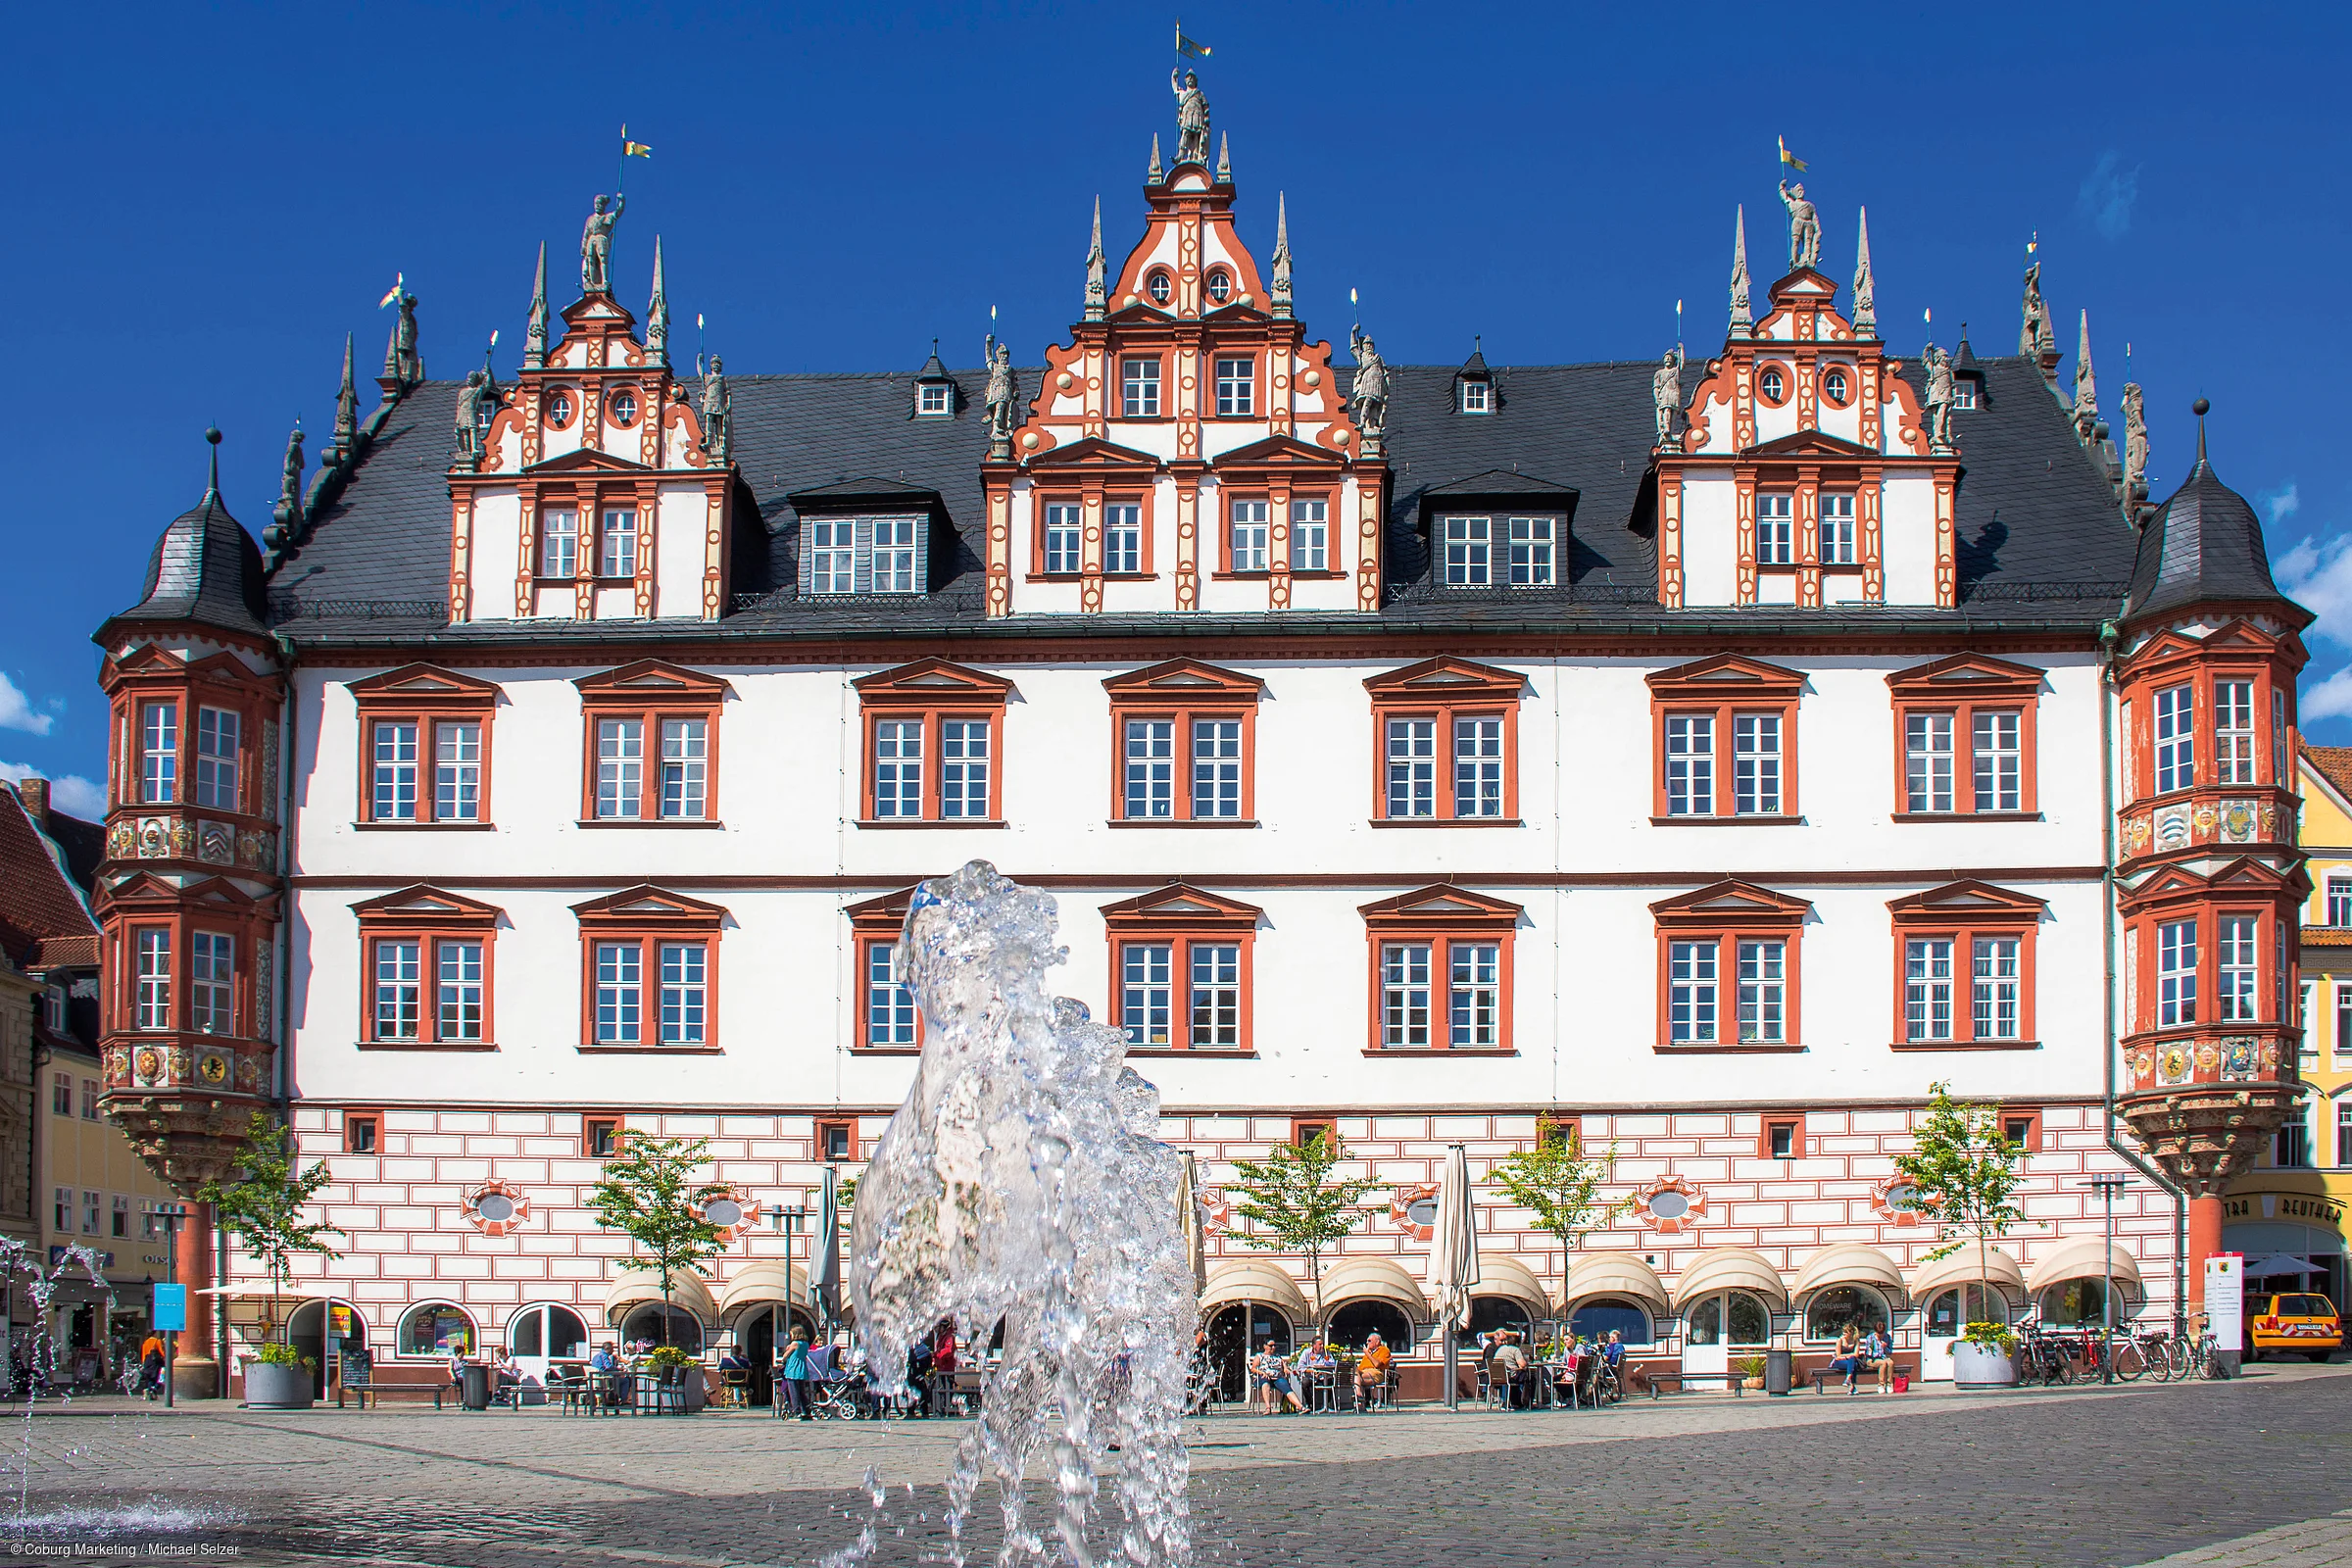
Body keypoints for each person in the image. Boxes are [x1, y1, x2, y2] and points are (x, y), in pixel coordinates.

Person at [1250, 1340, 1299, 1415]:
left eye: (1274, 1345)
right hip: (1264, 1377)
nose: (1273, 1347)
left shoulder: (1278, 1356)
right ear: (1265, 1346)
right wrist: (1261, 1372)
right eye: (1271, 1346)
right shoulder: (1259, 1356)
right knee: (1265, 1383)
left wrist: (1286, 1369)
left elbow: (1284, 1366)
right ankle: (1268, 1408)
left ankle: (1301, 1407)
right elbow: (1253, 1369)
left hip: (1277, 1378)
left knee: (1286, 1387)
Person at [1491, 1331, 1531, 1410]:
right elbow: (1522, 1365)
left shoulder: (1500, 1349)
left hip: (1497, 1376)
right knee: (1529, 1377)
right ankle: (1524, 1402)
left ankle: (1513, 1402)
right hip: (1510, 1376)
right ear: (1517, 1343)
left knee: (1519, 1376)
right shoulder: (1515, 1350)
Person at [778, 1328, 811, 1420]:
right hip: (802, 1368)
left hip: (793, 1369)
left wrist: (786, 1351)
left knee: (794, 1392)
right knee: (801, 1392)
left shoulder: (795, 1343)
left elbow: (785, 1356)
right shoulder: (805, 1344)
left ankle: (796, 1412)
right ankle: (806, 1411)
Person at [1355, 1331, 1392, 1407]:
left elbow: (1377, 1364)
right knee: (1354, 1373)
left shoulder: (1384, 1350)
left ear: (1377, 1342)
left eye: (1369, 1341)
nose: (1367, 1343)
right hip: (1364, 1374)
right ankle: (1359, 1395)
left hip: (1377, 1373)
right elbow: (1360, 1368)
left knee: (1356, 1379)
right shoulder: (1369, 1352)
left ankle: (1359, 1398)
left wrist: (1367, 1353)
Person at [1828, 1323, 1865, 1394]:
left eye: (1846, 1332)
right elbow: (1838, 1356)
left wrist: (1849, 1356)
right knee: (1853, 1363)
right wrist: (1849, 1356)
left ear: (1851, 1332)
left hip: (1851, 1361)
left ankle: (1848, 1380)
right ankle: (1852, 1385)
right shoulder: (1840, 1340)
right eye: (1843, 1332)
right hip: (1840, 1362)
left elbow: (1856, 1354)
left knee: (1853, 1361)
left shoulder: (1856, 1340)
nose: (1844, 1333)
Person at [1862, 1325, 1895, 1393]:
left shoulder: (1887, 1337)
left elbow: (1890, 1352)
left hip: (1884, 1357)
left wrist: (1885, 1347)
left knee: (1890, 1363)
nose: (1880, 1335)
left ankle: (1889, 1384)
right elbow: (1868, 1353)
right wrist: (1871, 1349)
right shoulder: (1870, 1338)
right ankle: (1881, 1384)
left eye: (1882, 1333)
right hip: (1872, 1359)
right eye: (1878, 1333)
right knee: (1882, 1363)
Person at [138, 1332, 166, 1400]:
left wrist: (144, 1363)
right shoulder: (157, 1341)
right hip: (156, 1361)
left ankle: (149, 1391)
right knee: (160, 1377)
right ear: (154, 1334)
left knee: (150, 1377)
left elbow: (143, 1354)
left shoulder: (145, 1342)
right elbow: (162, 1352)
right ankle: (154, 1389)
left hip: (147, 1361)